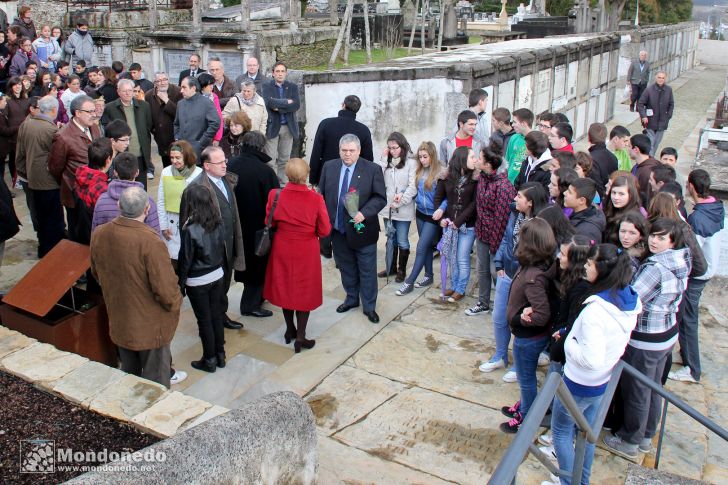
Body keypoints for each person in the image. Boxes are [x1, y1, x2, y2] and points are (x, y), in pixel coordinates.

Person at [546, 244, 641, 485]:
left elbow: (591, 359)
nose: (585, 267)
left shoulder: (595, 312)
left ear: (601, 269)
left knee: (561, 431)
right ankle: (581, 480)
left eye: (589, 264)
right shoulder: (627, 299)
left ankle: (568, 480)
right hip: (602, 381)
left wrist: (570, 344)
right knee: (586, 433)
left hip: (579, 382)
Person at [603, 218, 690, 460]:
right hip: (667, 332)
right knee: (653, 387)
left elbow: (632, 299)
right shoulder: (681, 259)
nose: (654, 240)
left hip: (646, 336)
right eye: (653, 235)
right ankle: (647, 434)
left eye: (661, 238)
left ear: (672, 241)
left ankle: (631, 439)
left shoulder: (655, 268)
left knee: (637, 389)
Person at [90, 186, 182, 388]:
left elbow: (96, 272)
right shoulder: (150, 241)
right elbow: (166, 291)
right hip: (150, 328)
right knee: (155, 386)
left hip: (120, 319)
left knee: (128, 380)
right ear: (147, 209)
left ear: (118, 206)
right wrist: (176, 304)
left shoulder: (100, 233)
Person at [264, 158, 331, 352]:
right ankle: (301, 336)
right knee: (303, 290)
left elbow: (269, 220)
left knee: (285, 286)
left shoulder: (275, 195)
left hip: (282, 246)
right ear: (306, 175)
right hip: (306, 249)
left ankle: (289, 329)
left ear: (287, 175)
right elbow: (325, 230)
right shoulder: (316, 198)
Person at [318, 133, 386, 323]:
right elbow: (321, 195)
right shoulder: (329, 167)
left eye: (351, 151)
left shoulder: (372, 169)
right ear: (339, 150)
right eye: (344, 150)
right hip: (338, 230)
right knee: (346, 268)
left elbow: (380, 198)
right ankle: (351, 298)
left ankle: (370, 306)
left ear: (359, 151)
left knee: (366, 270)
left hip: (362, 230)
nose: (347, 154)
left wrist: (363, 213)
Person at [484, 182, 549, 378]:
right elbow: (506, 238)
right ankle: (500, 355)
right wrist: (499, 263)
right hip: (508, 273)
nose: (515, 199)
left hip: (526, 279)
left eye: (519, 196)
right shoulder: (515, 213)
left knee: (520, 321)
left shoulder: (542, 223)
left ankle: (519, 364)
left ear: (530, 202)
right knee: (499, 316)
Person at [499, 217, 557, 433]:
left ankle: (527, 416)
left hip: (528, 339)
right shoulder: (533, 266)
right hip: (526, 336)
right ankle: (524, 405)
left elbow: (541, 314)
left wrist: (519, 319)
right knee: (525, 377)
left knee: (525, 378)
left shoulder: (534, 276)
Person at [668, 170, 725, 383]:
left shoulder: (698, 218)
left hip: (698, 275)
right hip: (709, 270)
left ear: (691, 186)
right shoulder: (716, 207)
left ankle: (692, 369)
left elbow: (694, 253)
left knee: (688, 320)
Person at [180, 146, 246, 330]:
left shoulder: (226, 180)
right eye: (220, 162)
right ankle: (213, 324)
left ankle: (221, 315)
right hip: (211, 251)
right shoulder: (195, 189)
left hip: (229, 244)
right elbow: (185, 224)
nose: (226, 165)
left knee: (225, 282)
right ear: (207, 166)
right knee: (214, 289)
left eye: (225, 160)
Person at [228, 131, 280, 317]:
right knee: (257, 266)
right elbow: (274, 202)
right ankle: (250, 305)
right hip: (258, 228)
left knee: (244, 265)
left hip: (234, 225)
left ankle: (256, 299)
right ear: (261, 147)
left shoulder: (231, 164)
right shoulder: (265, 171)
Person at [177, 184, 228, 373]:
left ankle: (209, 359)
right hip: (217, 274)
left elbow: (185, 259)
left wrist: (180, 284)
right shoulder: (218, 221)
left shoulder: (189, 228)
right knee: (216, 316)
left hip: (198, 280)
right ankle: (220, 355)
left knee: (204, 320)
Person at [467, 141, 516, 315]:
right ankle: (483, 302)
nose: (476, 161)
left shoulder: (503, 187)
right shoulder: (482, 178)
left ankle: (503, 307)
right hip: (482, 233)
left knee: (496, 272)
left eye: (479, 158)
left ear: (487, 164)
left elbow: (501, 219)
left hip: (497, 238)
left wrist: (495, 247)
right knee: (482, 270)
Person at [48, 95, 101, 241]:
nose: (94, 115)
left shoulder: (94, 128)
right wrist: (70, 183)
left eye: (94, 111)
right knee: (78, 233)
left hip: (96, 189)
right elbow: (55, 168)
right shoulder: (63, 137)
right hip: (76, 194)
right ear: (77, 113)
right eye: (89, 112)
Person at [15, 95, 61, 257]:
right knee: (53, 220)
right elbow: (57, 159)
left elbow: (19, 153)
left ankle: (43, 248)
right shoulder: (51, 130)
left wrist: (23, 173)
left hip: (30, 177)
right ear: (54, 110)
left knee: (40, 217)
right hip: (48, 181)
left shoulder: (26, 124)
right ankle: (52, 252)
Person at [396, 141, 443, 295]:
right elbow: (413, 188)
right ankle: (428, 276)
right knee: (427, 247)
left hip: (432, 216)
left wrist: (441, 209)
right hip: (420, 213)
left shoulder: (441, 173)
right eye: (420, 157)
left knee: (421, 247)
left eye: (425, 157)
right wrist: (402, 192)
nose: (422, 160)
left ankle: (409, 282)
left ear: (432, 156)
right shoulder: (419, 170)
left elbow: (448, 197)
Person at [434, 146, 478, 302]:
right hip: (449, 224)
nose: (475, 159)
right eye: (472, 157)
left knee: (462, 257)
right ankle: (452, 286)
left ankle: (460, 289)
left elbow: (474, 204)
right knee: (451, 257)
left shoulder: (475, 179)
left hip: (468, 226)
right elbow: (438, 199)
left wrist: (458, 222)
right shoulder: (445, 177)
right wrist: (442, 219)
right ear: (462, 159)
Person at [376, 132, 417, 283]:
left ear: (402, 146)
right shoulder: (386, 162)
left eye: (395, 147)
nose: (392, 151)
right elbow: (377, 177)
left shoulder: (411, 163)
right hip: (388, 208)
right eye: (390, 148)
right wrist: (382, 159)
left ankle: (401, 270)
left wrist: (400, 201)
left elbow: (413, 187)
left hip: (403, 208)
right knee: (390, 238)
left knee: (402, 240)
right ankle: (390, 267)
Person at [308, 94, 373, 187]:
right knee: (351, 202)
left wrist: (313, 179)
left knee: (326, 201)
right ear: (357, 109)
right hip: (353, 181)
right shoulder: (364, 130)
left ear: (343, 105)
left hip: (327, 178)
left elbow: (316, 154)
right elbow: (368, 159)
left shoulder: (325, 124)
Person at [101, 78, 154, 187]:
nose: (127, 93)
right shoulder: (110, 108)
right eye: (124, 91)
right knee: (123, 187)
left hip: (140, 154)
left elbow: (148, 126)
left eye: (130, 90)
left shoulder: (144, 106)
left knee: (141, 187)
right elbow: (108, 130)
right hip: (121, 156)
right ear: (118, 92)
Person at [93, 152, 161, 234]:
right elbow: (156, 235)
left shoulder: (101, 201)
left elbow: (95, 233)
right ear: (137, 172)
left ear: (115, 172)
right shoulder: (147, 201)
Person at [158, 140, 203, 262]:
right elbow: (161, 201)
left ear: (187, 156)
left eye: (177, 157)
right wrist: (163, 226)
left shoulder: (199, 174)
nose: (174, 161)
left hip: (192, 224)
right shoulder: (166, 172)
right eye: (172, 157)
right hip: (171, 224)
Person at [262, 62, 300, 183]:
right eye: (277, 71)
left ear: (286, 73)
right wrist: (286, 102)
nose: (280, 74)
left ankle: (283, 182)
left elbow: (296, 105)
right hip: (273, 126)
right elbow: (270, 103)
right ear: (273, 73)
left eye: (282, 71)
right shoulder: (266, 86)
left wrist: (278, 105)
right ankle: (271, 182)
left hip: (288, 127)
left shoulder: (292, 86)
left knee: (285, 158)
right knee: (270, 159)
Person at [174, 76, 221, 158]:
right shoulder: (180, 104)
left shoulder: (207, 103)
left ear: (193, 88)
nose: (181, 91)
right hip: (182, 150)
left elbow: (215, 123)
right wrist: (177, 138)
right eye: (181, 87)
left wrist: (202, 142)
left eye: (184, 87)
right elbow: (176, 124)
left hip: (199, 151)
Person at [145, 71, 182, 169]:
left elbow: (180, 114)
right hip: (161, 138)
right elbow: (148, 116)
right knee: (167, 167)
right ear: (155, 83)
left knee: (179, 165)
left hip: (176, 137)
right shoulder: (148, 95)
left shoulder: (178, 92)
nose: (162, 83)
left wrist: (167, 101)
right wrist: (154, 130)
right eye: (159, 80)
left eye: (165, 80)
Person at [637, 71, 674, 157]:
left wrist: (669, 115)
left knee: (656, 142)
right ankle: (651, 159)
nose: (661, 79)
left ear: (665, 79)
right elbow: (640, 104)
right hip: (650, 121)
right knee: (651, 142)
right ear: (655, 78)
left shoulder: (668, 90)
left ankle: (651, 158)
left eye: (663, 78)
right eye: (659, 77)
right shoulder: (649, 90)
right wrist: (644, 116)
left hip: (662, 122)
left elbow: (671, 103)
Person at [603, 174, 647, 244]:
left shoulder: (635, 217)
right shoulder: (609, 210)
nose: (616, 197)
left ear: (631, 195)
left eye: (621, 194)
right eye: (614, 193)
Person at [5, 77, 31, 189]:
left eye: (20, 84)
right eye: (15, 84)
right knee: (14, 158)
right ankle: (15, 179)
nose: (18, 86)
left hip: (26, 134)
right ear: (11, 87)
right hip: (13, 136)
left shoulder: (26, 100)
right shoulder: (7, 101)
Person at [563, 177, 606, 244]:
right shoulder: (578, 214)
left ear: (582, 200)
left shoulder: (587, 232)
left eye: (569, 192)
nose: (564, 193)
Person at [587, 122, 618, 198]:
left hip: (599, 201)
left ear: (588, 138)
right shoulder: (613, 157)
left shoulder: (591, 159)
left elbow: (596, 186)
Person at [196, 73, 223, 148]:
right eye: (209, 84)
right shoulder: (195, 97)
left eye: (212, 84)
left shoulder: (214, 97)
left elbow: (219, 118)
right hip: (196, 136)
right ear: (203, 85)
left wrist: (217, 138)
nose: (212, 87)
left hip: (210, 135)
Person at [509, 108, 534, 183]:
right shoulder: (514, 138)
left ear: (523, 123)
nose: (512, 125)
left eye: (514, 122)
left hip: (523, 185)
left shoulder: (536, 141)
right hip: (508, 183)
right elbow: (507, 161)